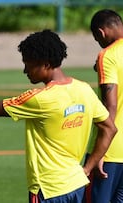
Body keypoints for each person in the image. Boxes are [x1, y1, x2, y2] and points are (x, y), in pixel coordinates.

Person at [0, 29, 117, 203]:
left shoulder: (40, 98)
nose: (25, 70)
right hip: (76, 185)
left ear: (45, 63)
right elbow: (109, 127)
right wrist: (87, 167)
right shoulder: (84, 89)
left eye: (28, 64)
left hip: (48, 189)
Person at [85, 9, 123, 203]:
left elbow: (111, 106)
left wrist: (100, 152)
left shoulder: (107, 56)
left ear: (101, 33)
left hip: (112, 151)